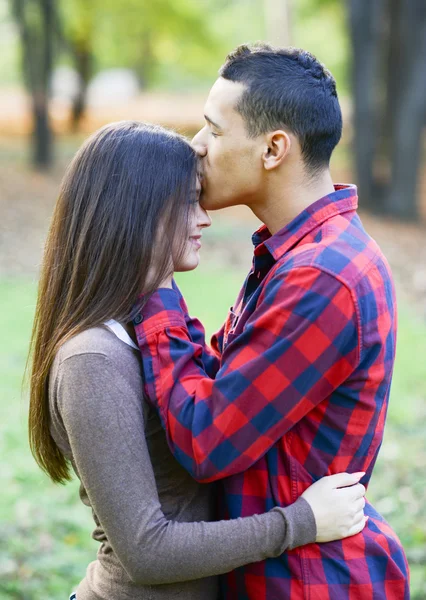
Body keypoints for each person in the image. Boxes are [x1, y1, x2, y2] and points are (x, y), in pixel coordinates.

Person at [27, 121, 367, 600]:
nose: (205, 217)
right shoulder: (92, 359)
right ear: (136, 211)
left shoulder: (150, 328)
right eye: (189, 200)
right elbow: (148, 551)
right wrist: (299, 523)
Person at [133, 45, 410, 599]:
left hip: (305, 583)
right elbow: (224, 388)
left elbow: (206, 439)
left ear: (273, 148)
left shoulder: (323, 276)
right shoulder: (299, 256)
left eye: (214, 130)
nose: (198, 146)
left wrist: (154, 285)